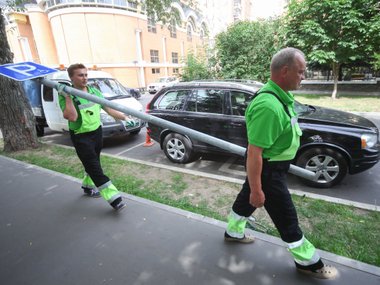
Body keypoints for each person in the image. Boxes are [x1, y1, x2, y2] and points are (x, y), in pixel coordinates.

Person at [223, 48, 338, 279]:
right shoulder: (269, 106)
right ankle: (309, 263)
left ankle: (233, 232)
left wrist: (254, 189)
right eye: (301, 72)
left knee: (246, 201)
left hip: (271, 167)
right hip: (269, 171)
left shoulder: (279, 97)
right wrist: (257, 188)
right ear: (285, 71)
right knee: (287, 218)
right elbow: (254, 153)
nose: (303, 77)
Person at [57, 63, 134, 211]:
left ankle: (87, 187)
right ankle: (114, 199)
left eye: (86, 75)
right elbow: (71, 117)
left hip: (97, 133)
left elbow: (109, 109)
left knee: (93, 163)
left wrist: (125, 118)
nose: (84, 78)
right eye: (80, 75)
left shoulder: (93, 91)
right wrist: (67, 96)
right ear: (71, 78)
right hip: (81, 137)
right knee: (95, 168)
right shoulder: (66, 94)